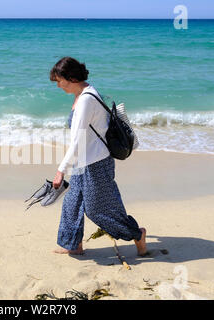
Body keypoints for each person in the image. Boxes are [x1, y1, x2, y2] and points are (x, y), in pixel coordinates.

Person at [49, 56, 147, 256]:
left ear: (71, 77)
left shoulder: (86, 99)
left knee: (98, 210)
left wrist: (61, 170)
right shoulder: (83, 93)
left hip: (95, 164)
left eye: (60, 81)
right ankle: (73, 245)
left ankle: (137, 234)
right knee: (72, 204)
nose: (58, 86)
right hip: (82, 162)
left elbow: (78, 141)